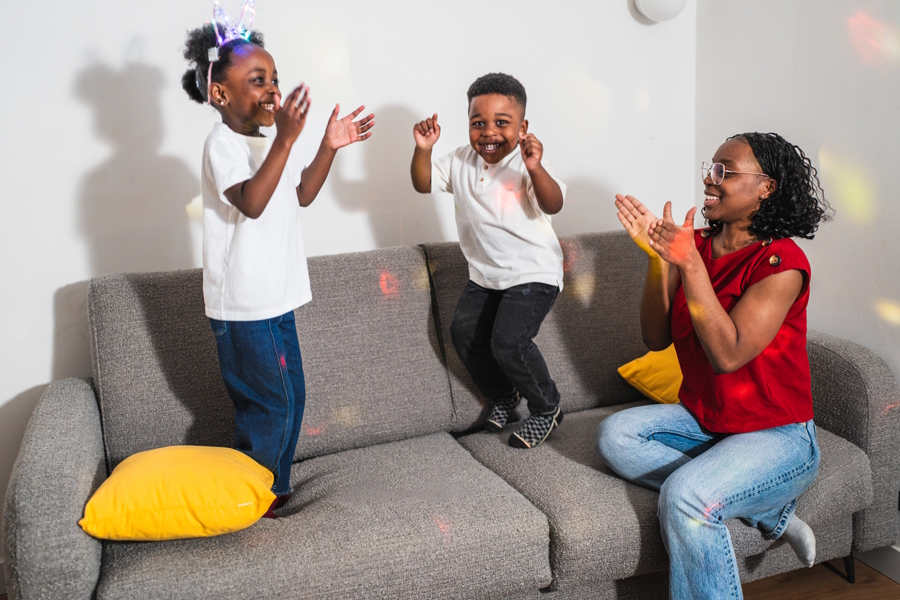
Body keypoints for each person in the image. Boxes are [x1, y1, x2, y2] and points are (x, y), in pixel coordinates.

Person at [596, 132, 831, 599]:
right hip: (708, 421)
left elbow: (728, 354)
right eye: (711, 167)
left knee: (686, 497)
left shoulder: (781, 262)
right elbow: (655, 338)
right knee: (614, 436)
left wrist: (689, 266)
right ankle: (770, 511)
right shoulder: (695, 245)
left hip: (778, 434)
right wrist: (659, 262)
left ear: (766, 187)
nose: (709, 178)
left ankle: (740, 494)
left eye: (725, 171)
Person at [181, 23, 374, 515]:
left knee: (292, 398)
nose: (271, 89)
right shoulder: (222, 144)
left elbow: (301, 194)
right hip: (245, 306)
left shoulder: (270, 143)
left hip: (277, 297)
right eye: (257, 80)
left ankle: (275, 487)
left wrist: (327, 146)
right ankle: (251, 497)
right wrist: (285, 140)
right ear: (219, 93)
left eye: (274, 79)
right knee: (270, 406)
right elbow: (251, 202)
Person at [410, 73, 566, 449]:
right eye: (478, 123)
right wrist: (423, 149)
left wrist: (536, 167)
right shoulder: (460, 161)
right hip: (486, 276)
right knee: (463, 334)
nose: (489, 132)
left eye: (502, 122)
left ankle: (547, 408)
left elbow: (553, 203)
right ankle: (503, 395)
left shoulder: (526, 163)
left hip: (532, 272)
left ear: (522, 128)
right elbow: (422, 182)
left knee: (509, 343)